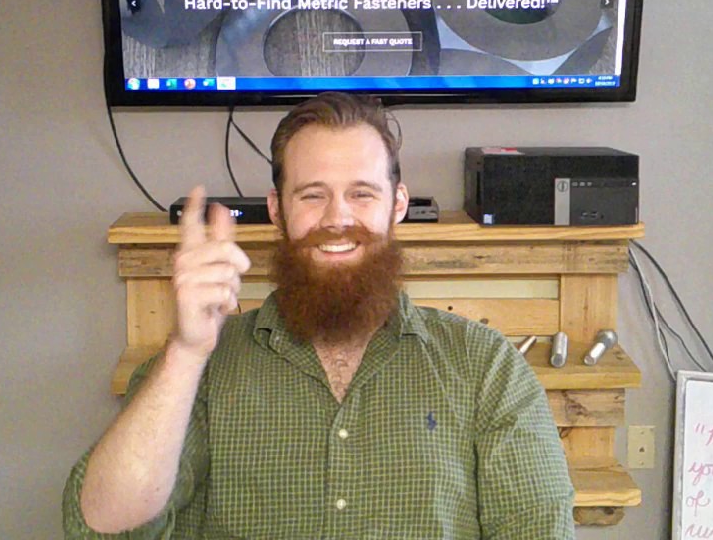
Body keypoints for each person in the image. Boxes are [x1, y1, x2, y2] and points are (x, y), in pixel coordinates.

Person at [62, 92, 574, 539]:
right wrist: (186, 352)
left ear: (397, 204)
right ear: (277, 209)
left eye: (361, 193)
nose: (337, 218)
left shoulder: (486, 366)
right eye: (313, 196)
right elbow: (101, 528)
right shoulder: (203, 369)